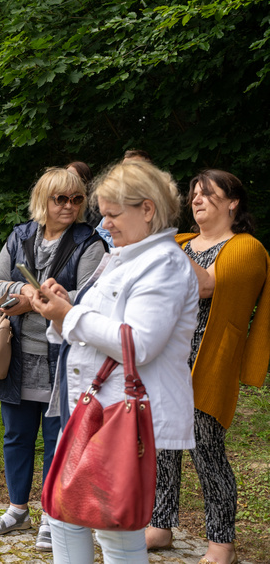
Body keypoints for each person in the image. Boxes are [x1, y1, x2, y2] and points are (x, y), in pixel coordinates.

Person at [30, 161, 199, 564]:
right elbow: (100, 323)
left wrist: (68, 316)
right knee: (67, 514)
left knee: (111, 526)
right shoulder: (125, 256)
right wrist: (63, 309)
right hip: (97, 407)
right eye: (102, 213)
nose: (104, 224)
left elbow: (138, 344)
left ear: (147, 209)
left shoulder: (164, 264)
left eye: (111, 214)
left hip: (124, 414)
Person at [145, 169, 270, 564]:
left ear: (233, 202)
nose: (196, 199)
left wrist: (162, 245)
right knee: (162, 447)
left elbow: (204, 286)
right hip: (165, 364)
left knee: (206, 451)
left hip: (208, 365)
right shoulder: (181, 242)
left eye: (207, 194)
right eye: (193, 194)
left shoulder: (246, 248)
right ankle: (160, 526)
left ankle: (222, 543)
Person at [0, 167, 106, 551]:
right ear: (44, 201)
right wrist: (23, 290)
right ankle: (17, 508)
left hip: (64, 357)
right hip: (17, 354)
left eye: (77, 199)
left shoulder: (91, 242)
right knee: (16, 435)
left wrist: (28, 304)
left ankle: (54, 516)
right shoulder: (21, 236)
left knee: (58, 440)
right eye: (61, 199)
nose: (69, 206)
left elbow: (85, 300)